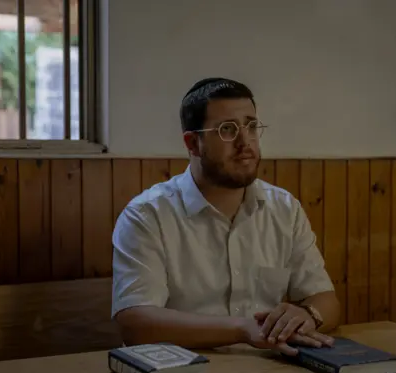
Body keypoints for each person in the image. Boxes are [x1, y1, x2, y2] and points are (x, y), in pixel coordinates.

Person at [111, 77, 340, 356]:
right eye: (227, 130)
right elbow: (135, 323)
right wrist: (241, 330)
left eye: (252, 126)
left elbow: (326, 300)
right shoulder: (147, 215)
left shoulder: (284, 209)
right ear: (193, 143)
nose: (245, 142)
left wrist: (309, 316)